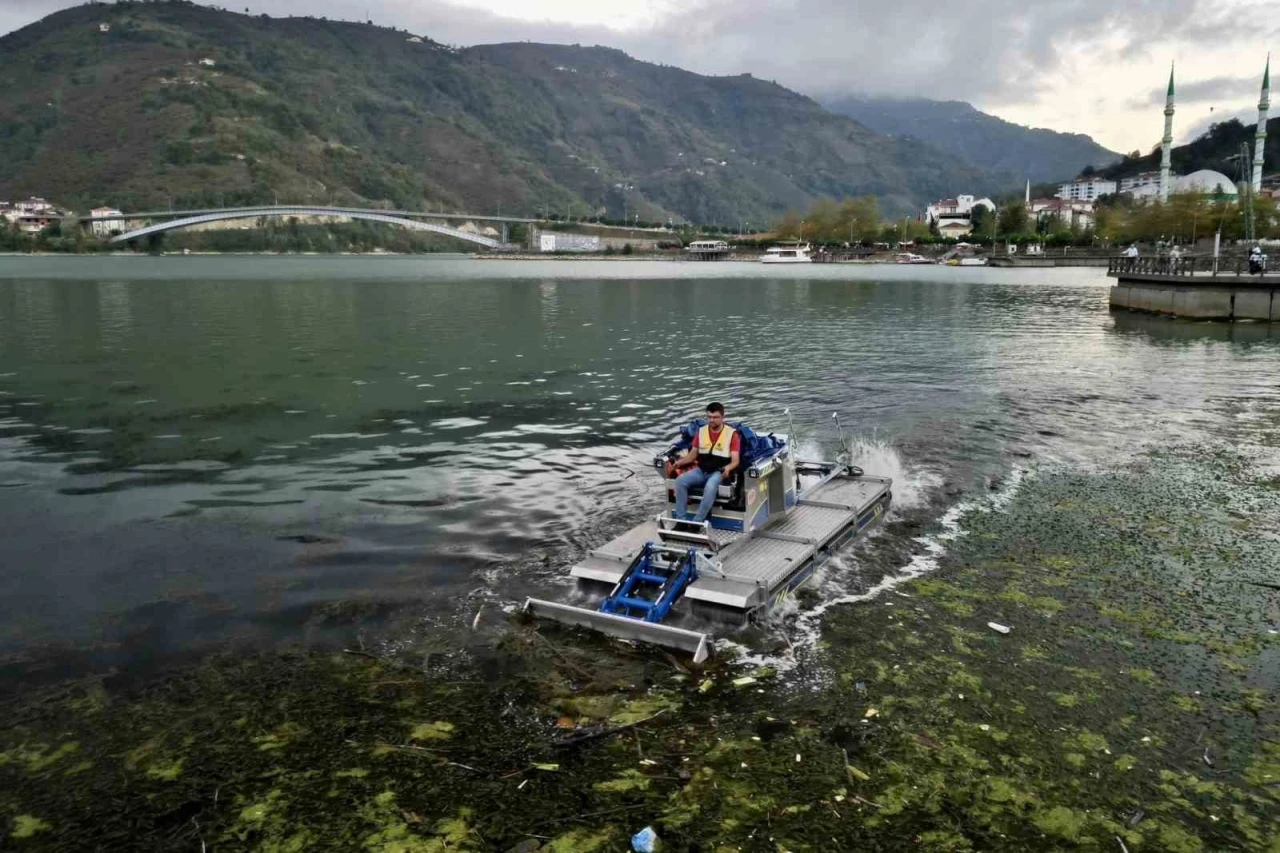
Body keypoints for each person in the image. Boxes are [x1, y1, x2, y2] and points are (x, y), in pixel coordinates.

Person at [670, 401, 740, 524]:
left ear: (722, 417)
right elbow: (692, 455)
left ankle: (698, 522)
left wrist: (728, 468)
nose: (712, 420)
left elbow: (735, 461)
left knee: (710, 487)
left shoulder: (732, 434)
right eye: (709, 417)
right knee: (680, 481)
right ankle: (681, 521)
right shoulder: (701, 432)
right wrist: (679, 463)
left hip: (718, 472)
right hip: (701, 470)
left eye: (715, 417)